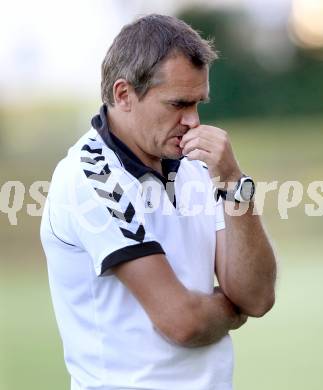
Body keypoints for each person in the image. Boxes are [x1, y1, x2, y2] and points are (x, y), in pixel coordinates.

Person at [40, 14, 276, 390]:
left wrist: (234, 182)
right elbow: (182, 322)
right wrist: (231, 311)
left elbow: (258, 296)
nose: (193, 121)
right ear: (123, 94)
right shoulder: (91, 176)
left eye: (199, 103)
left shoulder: (195, 164)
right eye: (178, 104)